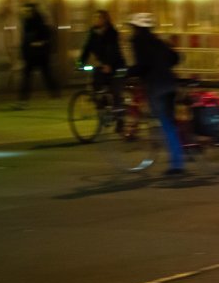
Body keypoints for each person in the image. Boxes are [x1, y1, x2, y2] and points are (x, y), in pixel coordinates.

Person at [127, 12, 185, 175]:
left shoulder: (138, 41)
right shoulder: (158, 41)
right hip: (170, 83)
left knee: (166, 124)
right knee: (170, 121)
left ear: (136, 28)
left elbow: (142, 65)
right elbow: (176, 58)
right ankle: (182, 148)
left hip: (156, 86)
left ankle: (177, 163)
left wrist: (127, 72)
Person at [13, 2, 59, 109]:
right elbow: (25, 41)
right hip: (30, 56)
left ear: (32, 11)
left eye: (27, 11)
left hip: (41, 56)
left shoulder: (40, 23)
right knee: (27, 78)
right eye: (24, 11)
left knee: (47, 76)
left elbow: (47, 37)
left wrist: (39, 43)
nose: (25, 13)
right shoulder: (26, 23)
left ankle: (55, 96)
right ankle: (23, 101)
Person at [78, 10, 126, 109]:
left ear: (105, 19)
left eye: (99, 17)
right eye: (95, 17)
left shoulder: (112, 32)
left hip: (117, 65)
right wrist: (79, 63)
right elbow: (86, 48)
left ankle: (119, 114)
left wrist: (108, 64)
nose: (96, 20)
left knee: (115, 88)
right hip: (103, 65)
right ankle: (103, 108)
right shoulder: (93, 33)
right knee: (96, 82)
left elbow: (113, 49)